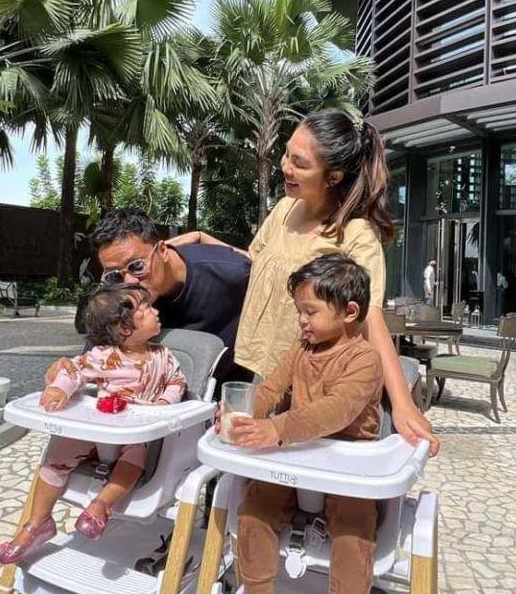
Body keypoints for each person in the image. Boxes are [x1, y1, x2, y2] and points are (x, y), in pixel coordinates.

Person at [174, 108, 439, 455]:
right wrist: (202, 240)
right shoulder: (285, 209)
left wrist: (403, 404)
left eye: (299, 163)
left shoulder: (356, 235)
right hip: (259, 372)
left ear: (333, 176)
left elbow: (371, 318)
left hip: (309, 386)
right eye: (286, 154)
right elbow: (255, 264)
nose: (285, 166)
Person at [224, 254, 383, 594]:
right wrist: (243, 413)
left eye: (310, 311)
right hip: (300, 458)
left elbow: (337, 410)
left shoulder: (364, 359)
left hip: (348, 464)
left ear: (349, 312)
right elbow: (271, 390)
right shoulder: (301, 349)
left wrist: (277, 429)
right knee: (254, 507)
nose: (301, 320)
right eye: (299, 311)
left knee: (354, 532)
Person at [0, 286, 186, 565]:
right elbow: (74, 371)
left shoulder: (163, 355)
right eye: (146, 309)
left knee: (135, 458)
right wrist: (59, 389)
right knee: (59, 451)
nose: (155, 311)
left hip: (135, 432)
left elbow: (177, 382)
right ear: (124, 327)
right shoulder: (103, 356)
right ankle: (37, 524)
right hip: (101, 427)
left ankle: (101, 505)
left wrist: (163, 404)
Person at [66, 208, 251, 383]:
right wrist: (67, 374)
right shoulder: (117, 289)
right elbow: (93, 356)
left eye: (137, 266)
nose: (129, 282)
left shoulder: (232, 274)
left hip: (227, 388)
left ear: (162, 251)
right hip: (148, 393)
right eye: (114, 274)